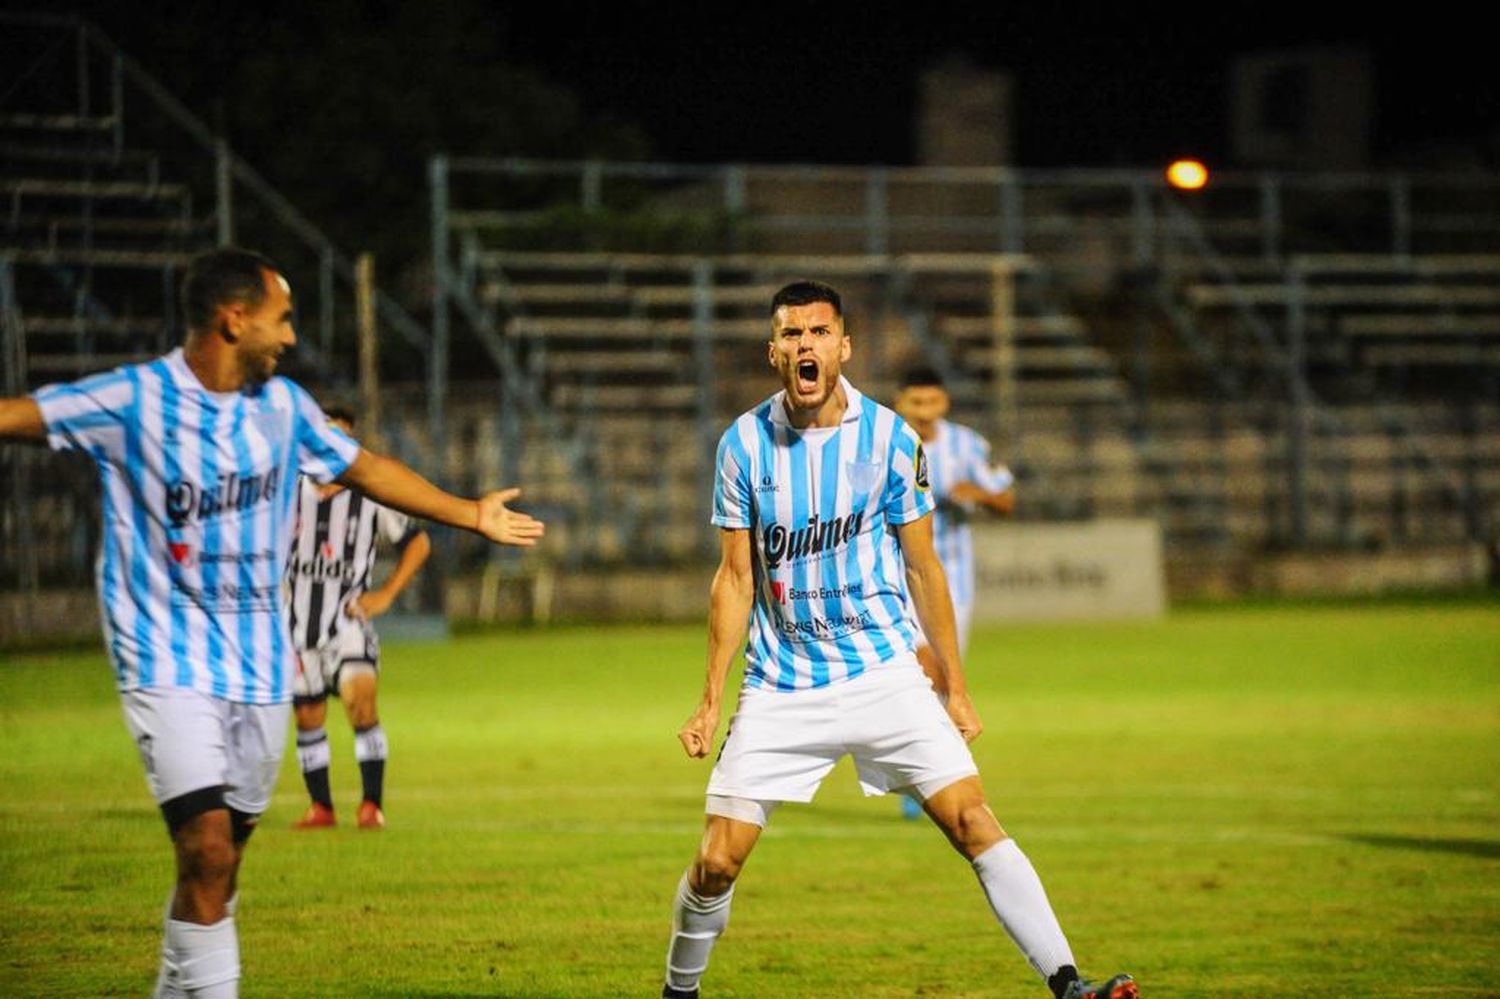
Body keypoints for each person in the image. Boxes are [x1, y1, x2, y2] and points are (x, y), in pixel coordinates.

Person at [0, 247, 543, 998]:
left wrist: (468, 512)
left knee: (220, 867)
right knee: (209, 850)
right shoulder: (134, 400)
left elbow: (365, 468)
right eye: (281, 318)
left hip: (259, 662)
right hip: (165, 656)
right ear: (234, 318)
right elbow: (15, 416)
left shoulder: (282, 407)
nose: (289, 337)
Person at [659, 281, 1135, 999]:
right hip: (784, 684)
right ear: (773, 353)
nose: (806, 345)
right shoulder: (743, 444)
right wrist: (707, 699)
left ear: (843, 346)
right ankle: (678, 990)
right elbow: (734, 579)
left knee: (972, 818)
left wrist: (955, 685)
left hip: (884, 671)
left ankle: (1069, 983)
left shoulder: (889, 438)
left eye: (820, 332)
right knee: (718, 860)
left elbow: (923, 565)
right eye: (791, 335)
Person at [286, 404, 430, 831]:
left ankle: (371, 806)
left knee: (359, 702)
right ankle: (321, 808)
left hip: (348, 624)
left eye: (343, 439)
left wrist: (385, 594)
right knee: (308, 716)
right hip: (294, 627)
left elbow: (418, 542)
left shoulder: (368, 497)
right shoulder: (288, 492)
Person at [892, 365, 1015, 819]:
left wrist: (977, 494)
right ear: (900, 401)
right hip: (892, 580)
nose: (925, 413)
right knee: (926, 673)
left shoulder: (967, 445)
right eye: (916, 403)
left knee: (941, 680)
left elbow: (1007, 500)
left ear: (944, 402)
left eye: (933, 403)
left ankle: (921, 775)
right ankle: (922, 773)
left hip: (951, 582)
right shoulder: (882, 441)